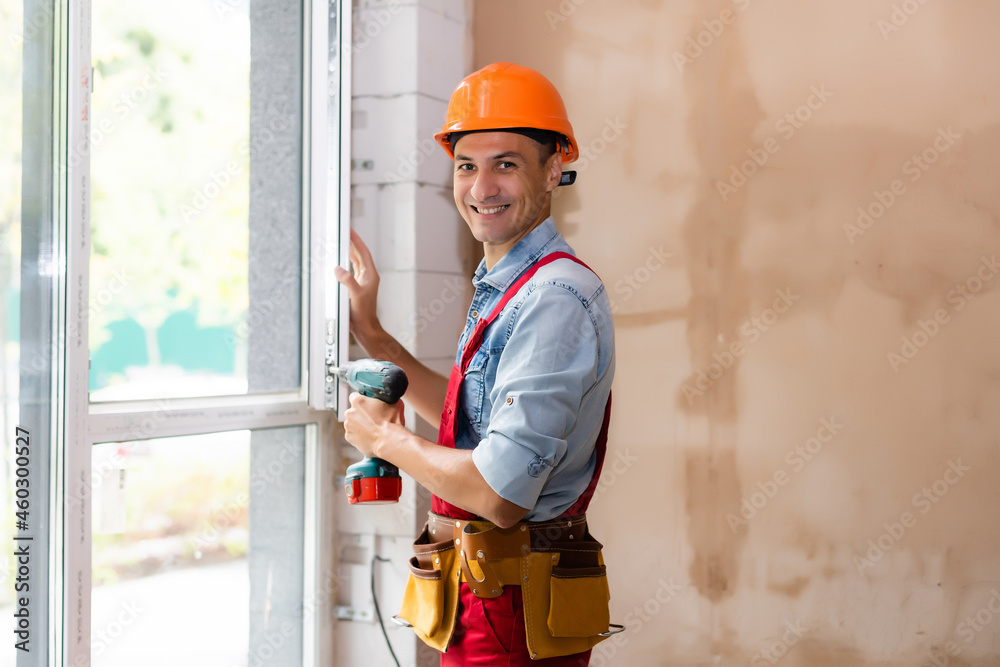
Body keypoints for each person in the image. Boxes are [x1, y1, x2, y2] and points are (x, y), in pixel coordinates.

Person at [337, 62, 617, 666]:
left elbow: (500, 492)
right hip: (487, 600)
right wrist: (378, 341)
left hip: (510, 611)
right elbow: (478, 421)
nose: (482, 187)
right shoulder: (510, 285)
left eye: (506, 164)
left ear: (554, 168)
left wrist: (384, 440)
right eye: (467, 165)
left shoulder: (554, 298)